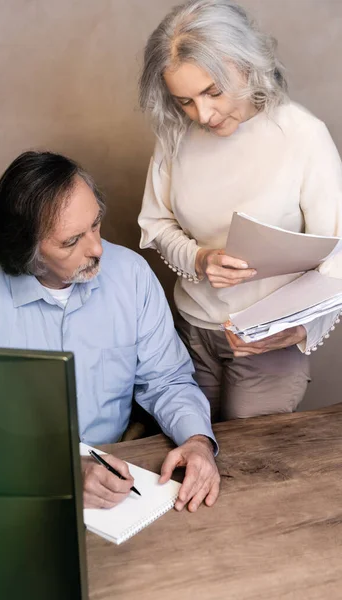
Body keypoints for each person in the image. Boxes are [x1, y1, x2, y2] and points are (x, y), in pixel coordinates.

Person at [0, 150, 220, 511]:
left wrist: (198, 441)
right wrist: (64, 473)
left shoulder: (131, 275)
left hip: (123, 476)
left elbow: (168, 381)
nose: (97, 248)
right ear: (24, 250)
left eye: (96, 224)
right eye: (71, 241)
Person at [138, 0, 342, 423]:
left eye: (212, 92)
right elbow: (156, 222)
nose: (203, 114)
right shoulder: (177, 135)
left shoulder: (303, 136)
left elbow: (338, 257)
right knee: (188, 456)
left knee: (246, 471)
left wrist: (305, 329)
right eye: (185, 100)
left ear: (248, 66)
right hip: (189, 336)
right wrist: (200, 259)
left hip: (267, 342)